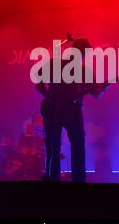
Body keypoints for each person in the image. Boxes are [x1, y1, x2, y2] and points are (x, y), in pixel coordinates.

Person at [35, 38, 106, 182]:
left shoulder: (61, 65)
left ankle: (56, 180)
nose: (83, 56)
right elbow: (97, 94)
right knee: (71, 148)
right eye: (83, 53)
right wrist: (50, 98)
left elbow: (38, 83)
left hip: (63, 111)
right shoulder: (69, 67)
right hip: (61, 111)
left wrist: (49, 97)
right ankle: (75, 182)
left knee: (54, 148)